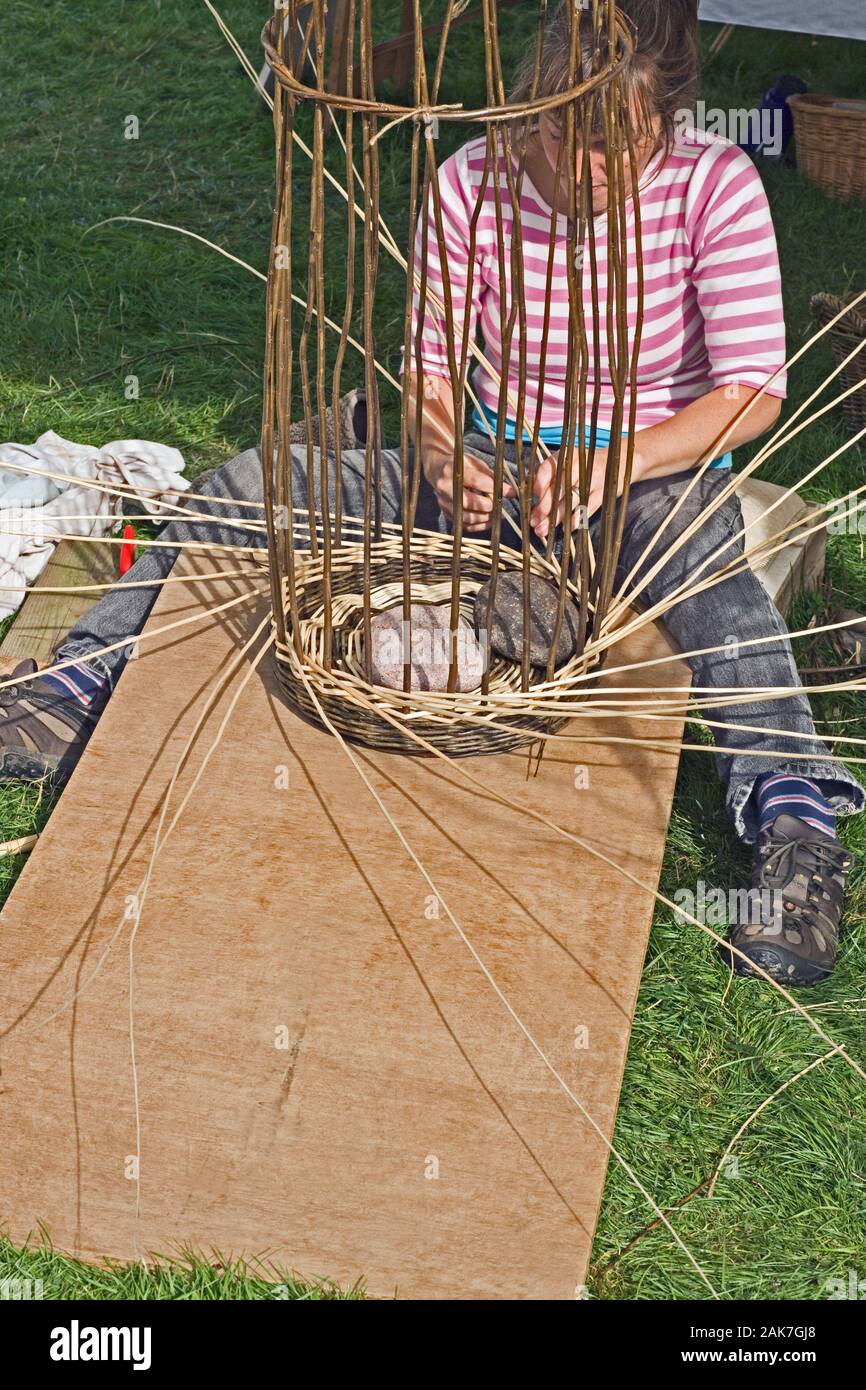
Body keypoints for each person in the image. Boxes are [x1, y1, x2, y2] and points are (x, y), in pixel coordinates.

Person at [0, 0, 860, 985]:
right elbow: (435, 367)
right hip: (489, 465)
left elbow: (748, 392)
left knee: (713, 581)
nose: (577, 172)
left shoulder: (715, 185)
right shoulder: (473, 181)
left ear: (666, 124)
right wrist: (448, 457)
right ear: (529, 108)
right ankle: (80, 680)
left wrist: (613, 462)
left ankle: (793, 827)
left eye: (610, 148)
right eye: (555, 133)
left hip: (642, 476)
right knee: (255, 481)